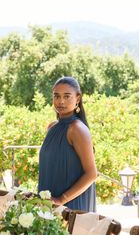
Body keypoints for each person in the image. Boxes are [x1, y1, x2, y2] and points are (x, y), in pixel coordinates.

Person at [38, 76, 97, 211]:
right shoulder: (52, 127)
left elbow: (92, 174)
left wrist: (61, 199)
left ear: (77, 98)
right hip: (49, 204)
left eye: (67, 96)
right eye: (56, 96)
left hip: (71, 205)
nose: (61, 101)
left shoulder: (77, 129)